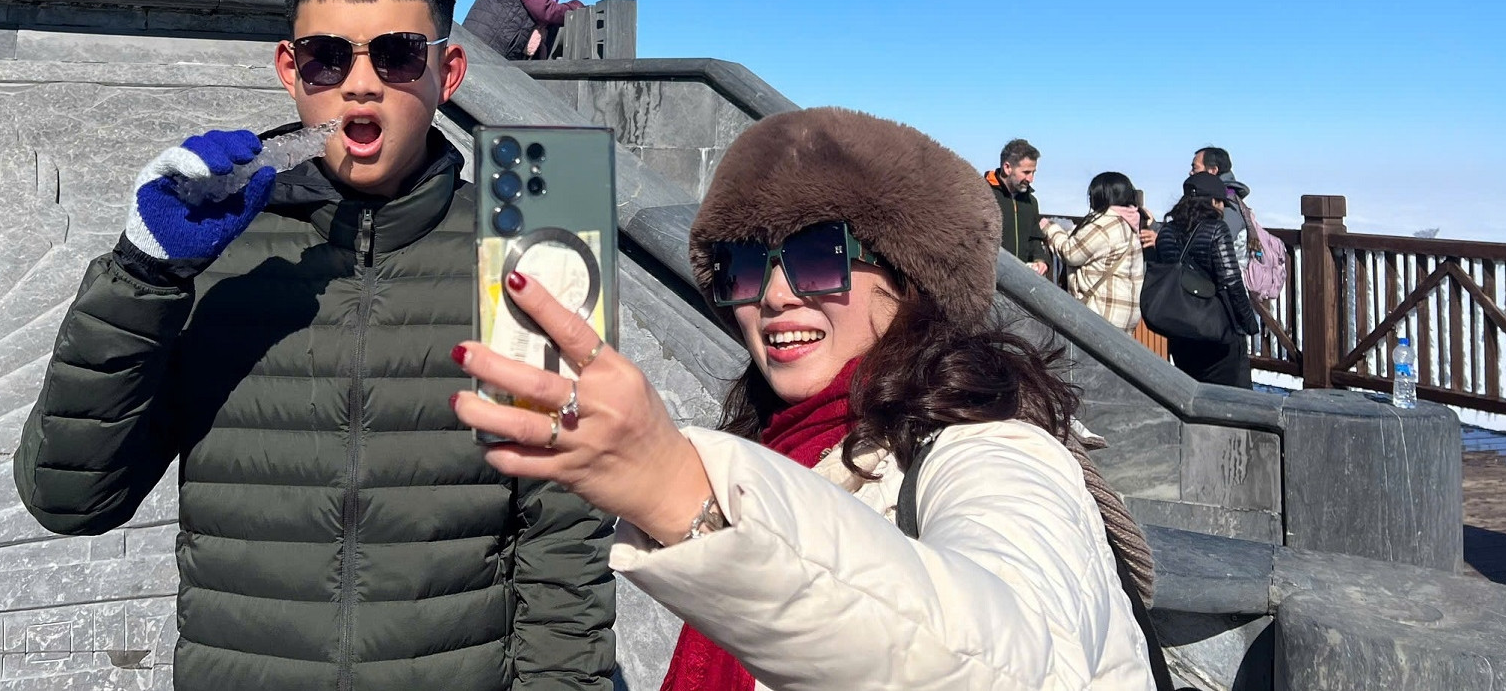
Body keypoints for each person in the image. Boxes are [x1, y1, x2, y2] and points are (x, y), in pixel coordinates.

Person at [14, 0, 615, 691]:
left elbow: (562, 545)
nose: (360, 83)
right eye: (329, 58)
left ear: (450, 71)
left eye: (397, 55)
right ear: (290, 70)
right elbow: (69, 498)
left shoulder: (530, 249)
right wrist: (144, 273)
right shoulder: (212, 254)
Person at [454, 108, 1161, 691]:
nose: (774, 295)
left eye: (820, 256)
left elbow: (1017, 659)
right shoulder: (786, 446)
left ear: (913, 279)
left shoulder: (993, 447)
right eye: (746, 265)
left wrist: (685, 500)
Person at [1149, 171, 1260, 388]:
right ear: (1213, 201)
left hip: (1181, 331)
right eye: (1221, 203)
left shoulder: (1167, 232)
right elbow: (1231, 282)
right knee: (1234, 399)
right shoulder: (1216, 230)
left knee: (1193, 393)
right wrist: (1248, 323)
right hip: (1217, 333)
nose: (1222, 209)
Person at [1041, 172, 1146, 331]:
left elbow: (1070, 252)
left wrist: (1049, 227)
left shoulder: (1106, 223)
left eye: (1092, 194)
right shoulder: (1129, 221)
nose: (1090, 198)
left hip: (1102, 313)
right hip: (1124, 313)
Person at [986, 138, 1050, 274]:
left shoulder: (1031, 202)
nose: (1031, 179)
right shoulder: (983, 196)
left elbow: (1034, 239)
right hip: (989, 279)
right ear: (1007, 168)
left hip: (1021, 282)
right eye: (1026, 172)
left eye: (1033, 173)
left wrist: (1040, 260)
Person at [1192, 146, 1250, 253]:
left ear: (1213, 170)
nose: (1191, 173)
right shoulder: (1214, 200)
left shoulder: (1228, 206)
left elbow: (1209, 247)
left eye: (1195, 168)